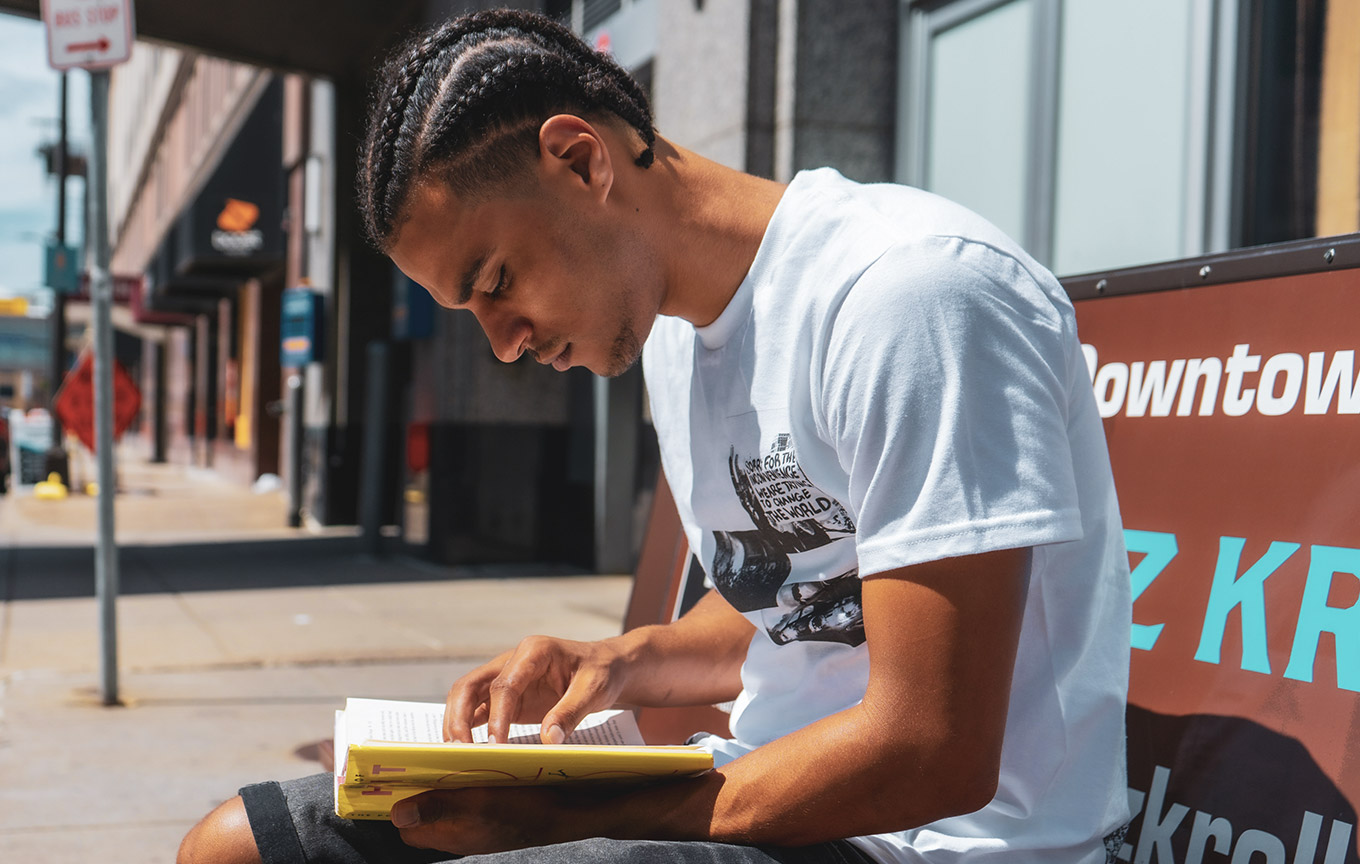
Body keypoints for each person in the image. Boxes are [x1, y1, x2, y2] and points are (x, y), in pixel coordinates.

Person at [177, 9, 1131, 864]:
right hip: (762, 783)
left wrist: (573, 817)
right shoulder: (674, 342)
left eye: (496, 280)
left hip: (931, 842)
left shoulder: (911, 296)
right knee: (230, 847)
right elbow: (801, 597)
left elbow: (932, 750)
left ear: (583, 159)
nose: (502, 345)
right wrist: (619, 663)